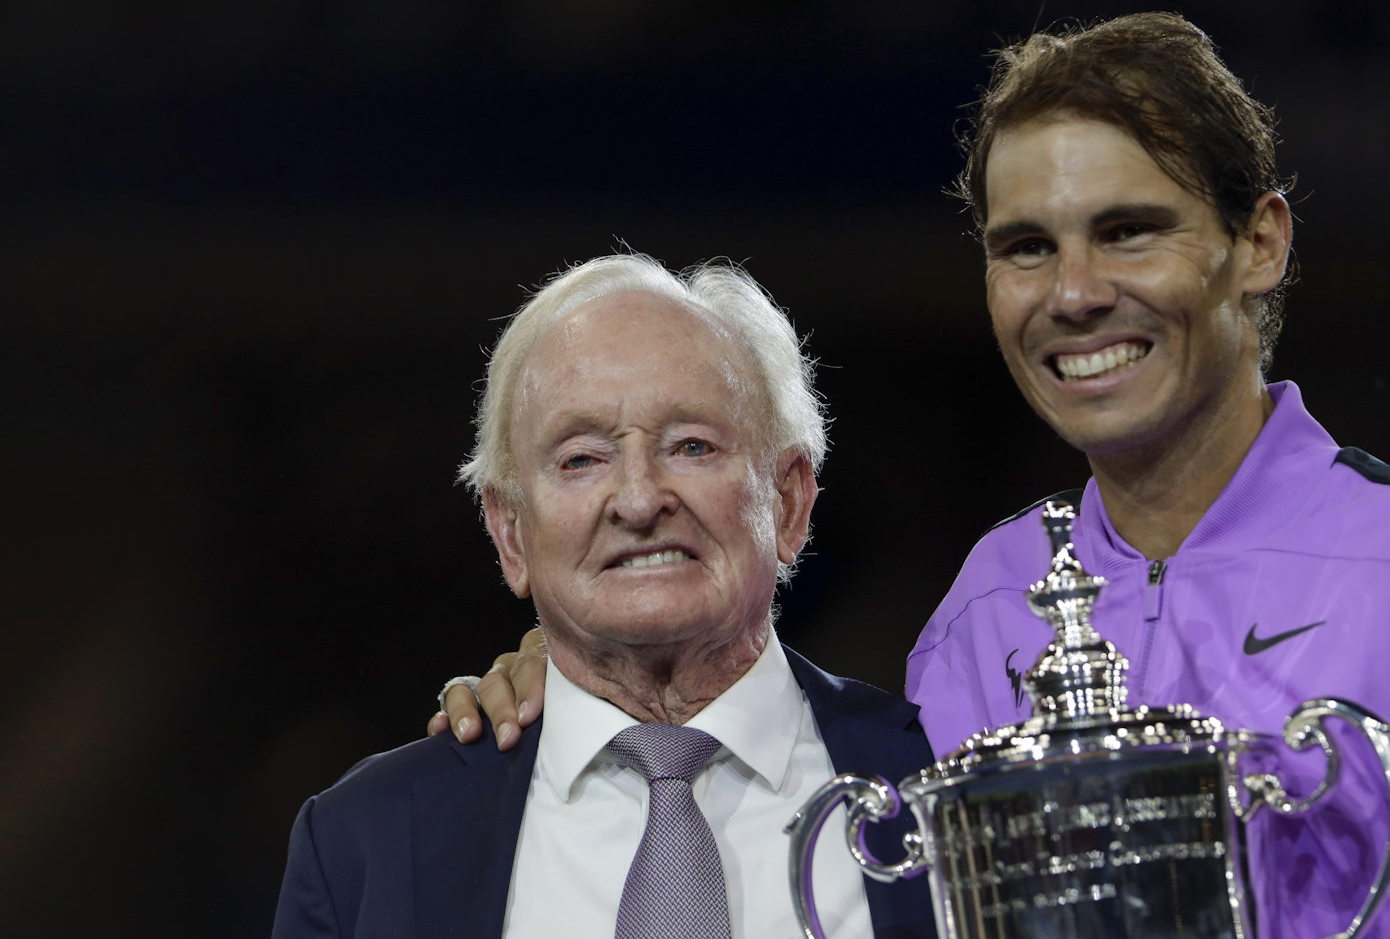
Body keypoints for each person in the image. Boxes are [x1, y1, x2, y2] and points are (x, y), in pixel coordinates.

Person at [437, 13, 1390, 938]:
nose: (1075, 293)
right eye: (1025, 246)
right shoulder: (979, 620)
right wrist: (597, 674)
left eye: (1129, 229)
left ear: (1257, 243)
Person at [274, 255, 935, 939]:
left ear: (790, 500)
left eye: (692, 446)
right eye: (582, 459)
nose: (641, 499)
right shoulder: (366, 842)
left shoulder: (939, 779)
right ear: (509, 534)